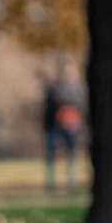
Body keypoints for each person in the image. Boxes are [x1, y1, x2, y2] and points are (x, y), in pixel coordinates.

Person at [43, 60, 86, 192]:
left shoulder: (79, 90)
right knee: (52, 155)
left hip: (74, 127)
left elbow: (84, 108)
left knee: (72, 155)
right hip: (56, 127)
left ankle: (71, 183)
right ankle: (51, 184)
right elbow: (48, 109)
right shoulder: (54, 90)